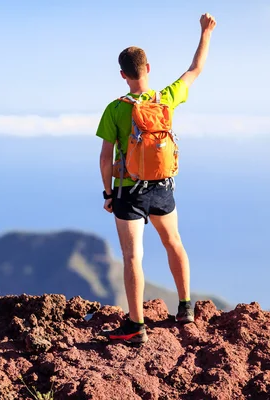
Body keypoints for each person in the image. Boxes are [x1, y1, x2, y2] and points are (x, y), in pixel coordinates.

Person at [96, 13, 217, 344]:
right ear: (148, 68)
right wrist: (205, 33)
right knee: (173, 242)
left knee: (133, 257)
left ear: (123, 75)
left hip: (128, 191)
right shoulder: (166, 98)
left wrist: (108, 194)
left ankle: (136, 326)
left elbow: (106, 158)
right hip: (163, 186)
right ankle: (186, 308)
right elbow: (196, 70)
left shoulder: (115, 109)